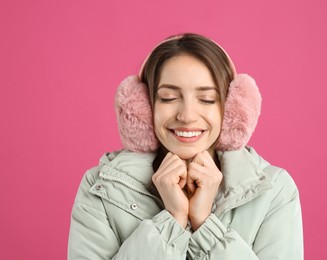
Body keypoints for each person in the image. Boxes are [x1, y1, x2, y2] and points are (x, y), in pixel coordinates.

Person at [68, 33, 303, 259]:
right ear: (143, 107)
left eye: (207, 99)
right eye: (168, 98)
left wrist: (205, 226)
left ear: (232, 108)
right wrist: (171, 221)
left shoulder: (275, 191)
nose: (187, 115)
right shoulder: (100, 188)